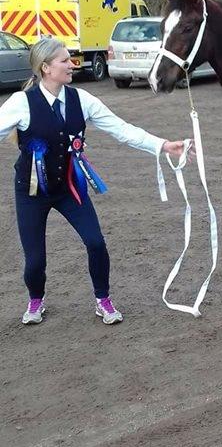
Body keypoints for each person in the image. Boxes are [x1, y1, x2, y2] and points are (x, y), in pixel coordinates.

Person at [0, 37, 189, 326]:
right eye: (64, 60)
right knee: (35, 260)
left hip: (69, 188)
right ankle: (35, 300)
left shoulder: (82, 99)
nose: (71, 64)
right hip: (31, 192)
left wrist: (163, 145)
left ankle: (103, 299)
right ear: (46, 68)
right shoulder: (21, 103)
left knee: (96, 243)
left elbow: (121, 129)